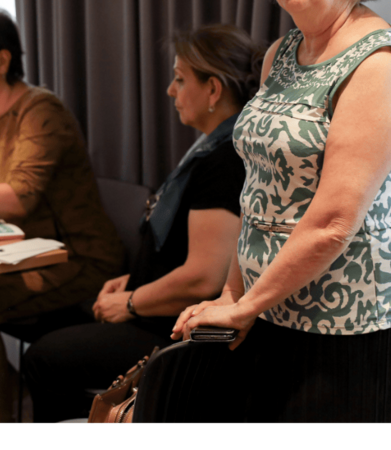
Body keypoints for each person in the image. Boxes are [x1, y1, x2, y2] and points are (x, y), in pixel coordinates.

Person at [171, 0, 391, 424]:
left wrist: (245, 305)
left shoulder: (378, 65)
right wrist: (231, 293)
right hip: (270, 305)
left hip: (350, 324)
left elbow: (334, 221)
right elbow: (258, 191)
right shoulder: (282, 54)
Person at [22, 24, 263, 423]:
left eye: (180, 79)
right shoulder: (211, 148)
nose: (171, 90)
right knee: (59, 321)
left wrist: (131, 302)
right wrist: (132, 281)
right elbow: (172, 249)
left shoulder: (225, 161)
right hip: (157, 312)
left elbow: (204, 278)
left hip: (171, 332)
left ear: (214, 90)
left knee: (43, 358)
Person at [0, 9, 125, 424]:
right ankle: (13, 392)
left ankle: (0, 414)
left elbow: (17, 199)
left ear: (2, 60)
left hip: (75, 258)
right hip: (16, 254)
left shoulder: (41, 112)